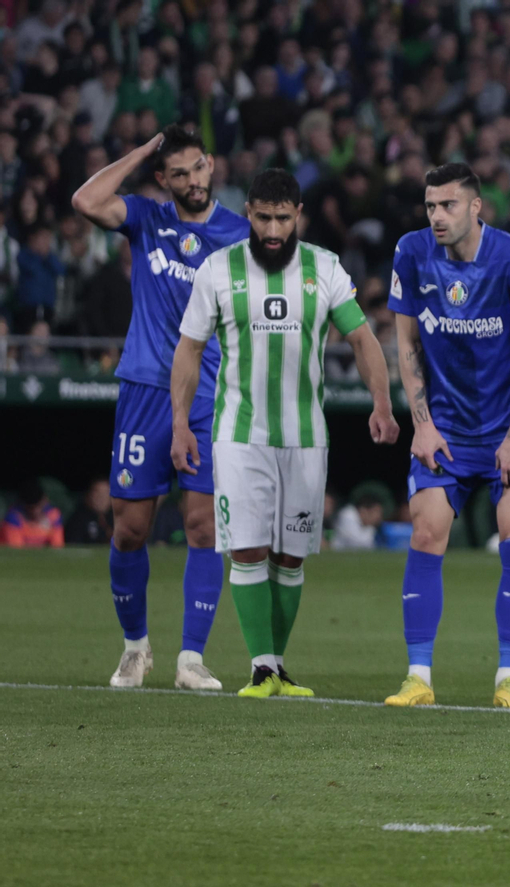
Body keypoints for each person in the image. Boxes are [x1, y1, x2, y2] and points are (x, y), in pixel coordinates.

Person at [171, 168, 398, 699]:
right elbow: (189, 350)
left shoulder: (325, 268)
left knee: (291, 556)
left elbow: (362, 339)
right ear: (248, 212)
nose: (273, 230)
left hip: (304, 436)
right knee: (247, 549)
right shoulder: (218, 269)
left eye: (283, 218)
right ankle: (262, 668)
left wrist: (383, 402)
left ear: (299, 215)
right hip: (238, 433)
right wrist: (181, 423)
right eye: (263, 217)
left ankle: (276, 663)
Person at [71, 124, 250, 691]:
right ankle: (135, 649)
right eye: (179, 173)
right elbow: (85, 200)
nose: (193, 181)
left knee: (202, 526)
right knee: (129, 528)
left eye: (199, 168)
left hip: (209, 393)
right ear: (162, 178)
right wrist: (144, 148)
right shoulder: (148, 220)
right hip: (145, 388)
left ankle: (191, 659)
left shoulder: (240, 235)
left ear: (211, 164)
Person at [384, 163, 510, 710]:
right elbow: (406, 344)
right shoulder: (411, 253)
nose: (436, 216)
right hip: (447, 431)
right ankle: (417, 676)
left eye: (448, 205)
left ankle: (508, 677)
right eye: (431, 205)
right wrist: (423, 424)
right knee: (427, 528)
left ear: (476, 207)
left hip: (508, 429)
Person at [3, 479, 64, 548]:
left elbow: (57, 547)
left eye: (38, 506)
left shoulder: (53, 515)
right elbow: (17, 551)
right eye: (31, 508)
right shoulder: (14, 518)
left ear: (44, 500)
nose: (35, 512)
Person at [65, 478, 115, 545]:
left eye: (106, 493)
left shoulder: (118, 519)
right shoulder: (78, 519)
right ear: (89, 495)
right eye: (97, 492)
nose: (101, 497)